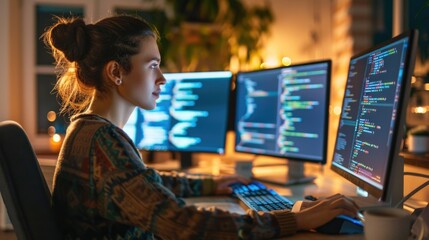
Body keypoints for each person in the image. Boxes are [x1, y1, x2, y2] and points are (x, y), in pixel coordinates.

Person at [44, 15, 359, 239]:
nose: (162, 78)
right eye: (152, 65)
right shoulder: (104, 143)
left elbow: (141, 185)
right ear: (116, 72)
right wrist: (293, 219)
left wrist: (211, 185)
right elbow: (182, 226)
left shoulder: (87, 130)